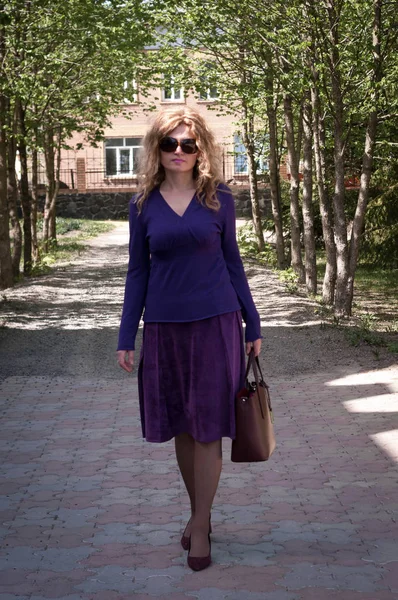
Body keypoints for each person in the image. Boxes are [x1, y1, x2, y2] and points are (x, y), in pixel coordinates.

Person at [116, 107, 262, 571]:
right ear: (156, 149)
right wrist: (126, 334)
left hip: (217, 321)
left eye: (189, 144)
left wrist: (253, 322)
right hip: (163, 327)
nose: (179, 152)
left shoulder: (220, 198)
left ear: (202, 151)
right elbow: (137, 271)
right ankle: (200, 513)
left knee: (207, 427)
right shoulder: (142, 205)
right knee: (182, 424)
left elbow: (233, 263)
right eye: (170, 144)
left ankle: (199, 525)